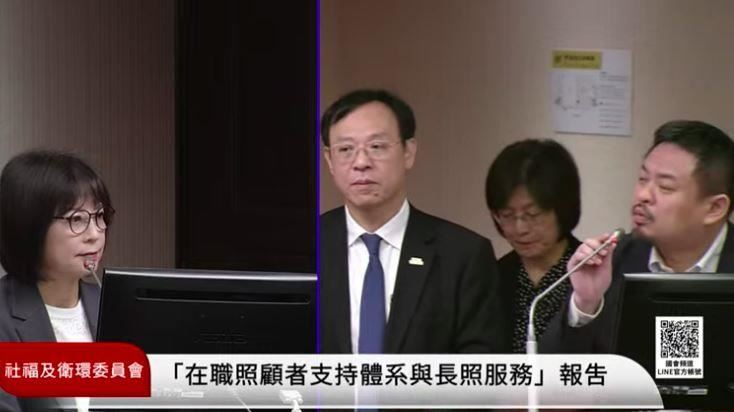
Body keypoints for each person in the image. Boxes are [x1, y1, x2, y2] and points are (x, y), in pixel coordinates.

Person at [319, 89, 504, 354]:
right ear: (329, 160)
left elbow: (480, 368)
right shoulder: (303, 248)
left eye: (376, 147)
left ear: (409, 151)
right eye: (346, 149)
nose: (361, 162)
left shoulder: (463, 255)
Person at [542, 120, 734, 353]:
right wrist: (586, 303)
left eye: (665, 187)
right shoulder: (612, 260)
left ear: (714, 208)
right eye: (643, 179)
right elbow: (552, 367)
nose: (643, 195)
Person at [0, 150, 115, 412]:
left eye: (99, 216)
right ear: (29, 226)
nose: (95, 234)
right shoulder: (4, 318)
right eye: (77, 219)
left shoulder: (114, 305)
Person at [485, 139, 582, 353]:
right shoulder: (492, 277)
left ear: (563, 208)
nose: (520, 228)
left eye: (533, 214)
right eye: (507, 215)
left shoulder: (591, 272)